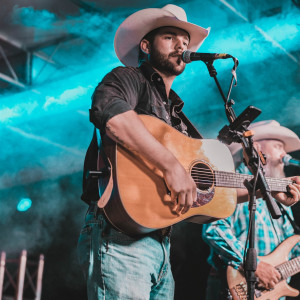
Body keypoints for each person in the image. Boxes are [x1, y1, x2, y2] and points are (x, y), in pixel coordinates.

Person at [76, 3, 300, 299]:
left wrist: (267, 190)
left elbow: (213, 190)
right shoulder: (128, 78)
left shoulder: (177, 117)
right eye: (170, 37)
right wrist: (170, 165)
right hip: (120, 236)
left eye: (185, 41)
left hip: (160, 244)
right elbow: (111, 113)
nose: (181, 45)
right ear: (146, 45)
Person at [202, 120, 300, 300]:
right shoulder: (232, 182)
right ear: (256, 148)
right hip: (232, 288)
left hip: (271, 293)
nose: (284, 155)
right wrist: (253, 266)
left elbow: (292, 247)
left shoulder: (281, 193)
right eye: (278, 146)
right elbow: (213, 229)